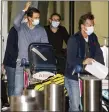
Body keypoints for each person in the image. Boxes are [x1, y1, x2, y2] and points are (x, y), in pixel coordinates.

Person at [65, 12, 104, 111]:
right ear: (83, 26)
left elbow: (99, 54)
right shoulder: (74, 39)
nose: (92, 27)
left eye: (92, 25)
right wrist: (83, 61)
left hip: (88, 75)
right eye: (89, 25)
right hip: (73, 76)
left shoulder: (93, 37)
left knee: (89, 105)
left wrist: (100, 67)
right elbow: (70, 60)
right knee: (76, 106)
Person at [13, 2, 48, 95]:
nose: (38, 19)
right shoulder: (21, 28)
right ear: (29, 18)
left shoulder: (41, 30)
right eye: (36, 17)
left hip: (35, 64)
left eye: (38, 17)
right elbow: (15, 21)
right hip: (21, 61)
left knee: (35, 90)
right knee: (18, 89)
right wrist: (25, 9)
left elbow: (45, 47)